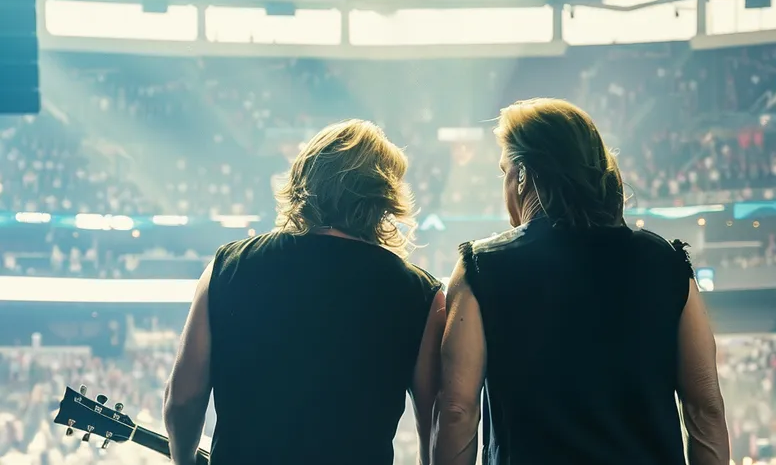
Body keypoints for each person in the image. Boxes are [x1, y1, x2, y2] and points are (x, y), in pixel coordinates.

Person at [433, 98, 730, 465]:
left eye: (504, 170)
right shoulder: (666, 261)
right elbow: (706, 407)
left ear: (523, 174)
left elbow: (457, 410)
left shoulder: (482, 266)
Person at [164, 120, 445, 465]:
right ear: (384, 197)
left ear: (303, 181)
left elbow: (183, 399)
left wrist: (183, 460)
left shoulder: (228, 266)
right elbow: (436, 424)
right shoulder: (420, 294)